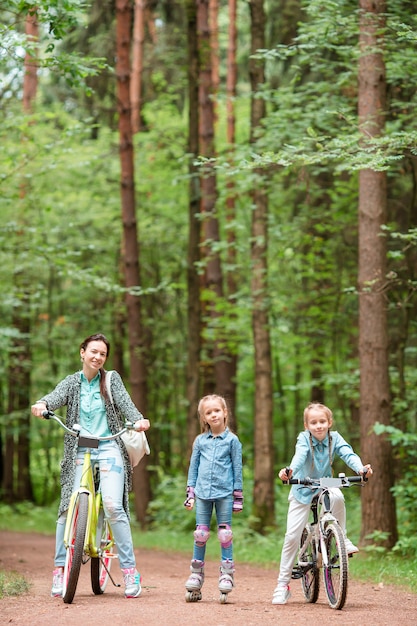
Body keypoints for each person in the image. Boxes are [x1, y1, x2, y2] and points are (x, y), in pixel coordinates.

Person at [31, 333, 150, 599]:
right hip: (79, 447)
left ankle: (130, 571)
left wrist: (139, 420)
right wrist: (43, 404)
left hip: (109, 446)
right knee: (65, 510)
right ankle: (60, 570)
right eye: (93, 351)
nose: (97, 357)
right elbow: (55, 396)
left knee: (112, 505)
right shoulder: (72, 382)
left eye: (102, 354)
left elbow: (127, 405)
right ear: (82, 352)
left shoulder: (111, 380)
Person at [272, 402, 372, 606]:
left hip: (325, 483)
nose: (318, 426)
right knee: (292, 536)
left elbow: (348, 454)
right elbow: (300, 457)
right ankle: (282, 585)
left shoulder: (335, 438)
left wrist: (361, 469)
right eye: (313, 422)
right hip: (302, 486)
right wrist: (289, 471)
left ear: (329, 422)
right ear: (306, 425)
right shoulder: (303, 439)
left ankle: (341, 537)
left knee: (337, 496)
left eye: (322, 421)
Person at [183, 394, 243, 602]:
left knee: (225, 534)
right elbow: (193, 468)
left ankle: (227, 575)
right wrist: (190, 493)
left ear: (225, 413)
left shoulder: (233, 441)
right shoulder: (200, 441)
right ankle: (196, 575)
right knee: (200, 533)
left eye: (217, 410)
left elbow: (237, 469)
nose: (214, 414)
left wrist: (238, 496)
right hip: (202, 493)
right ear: (204, 418)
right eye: (209, 412)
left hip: (224, 493)